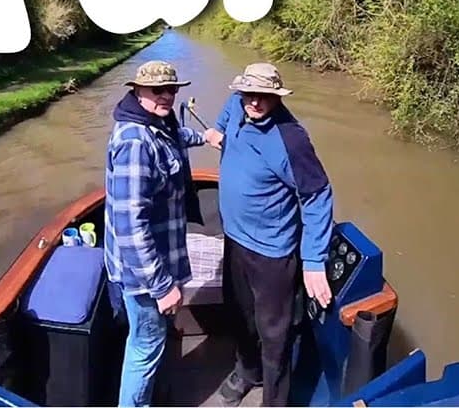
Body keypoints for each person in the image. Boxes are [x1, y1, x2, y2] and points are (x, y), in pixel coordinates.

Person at [212, 63, 335, 407]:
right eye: (248, 93)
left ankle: (274, 401)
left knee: (274, 335)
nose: (254, 102)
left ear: (276, 96)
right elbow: (223, 124)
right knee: (238, 314)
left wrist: (313, 260)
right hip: (235, 238)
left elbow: (318, 194)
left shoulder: (291, 139)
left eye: (263, 96)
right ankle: (247, 371)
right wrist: (217, 133)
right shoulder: (236, 106)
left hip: (272, 253)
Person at [105, 60, 223, 407]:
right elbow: (130, 226)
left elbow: (175, 137)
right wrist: (162, 286)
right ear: (137, 90)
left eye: (172, 89)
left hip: (155, 258)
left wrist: (206, 136)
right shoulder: (135, 142)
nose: (167, 96)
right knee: (144, 346)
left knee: (146, 339)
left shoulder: (156, 123)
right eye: (158, 90)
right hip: (144, 273)